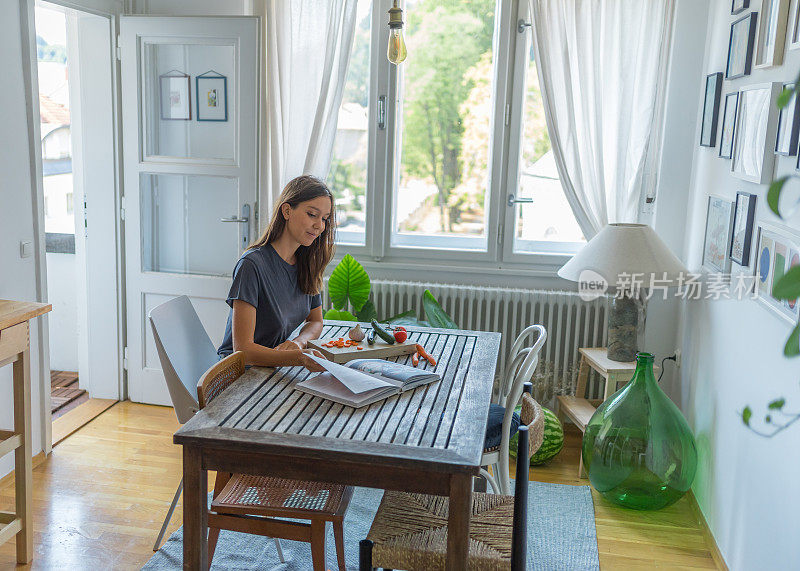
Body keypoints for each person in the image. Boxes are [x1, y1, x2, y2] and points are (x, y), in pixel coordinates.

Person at [217, 175, 335, 372]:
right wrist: (298, 357)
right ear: (287, 211)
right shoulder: (252, 265)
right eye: (312, 214)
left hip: (273, 368)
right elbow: (242, 351)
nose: (320, 226)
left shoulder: (307, 263)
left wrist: (299, 342)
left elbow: (316, 321)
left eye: (324, 219)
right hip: (238, 373)